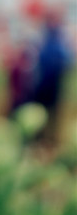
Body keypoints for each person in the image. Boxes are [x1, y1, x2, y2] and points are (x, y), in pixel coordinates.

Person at [29, 8, 73, 143]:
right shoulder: (46, 37)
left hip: (53, 87)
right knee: (41, 116)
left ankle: (49, 141)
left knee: (52, 117)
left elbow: (66, 62)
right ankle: (41, 140)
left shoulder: (58, 39)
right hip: (42, 88)